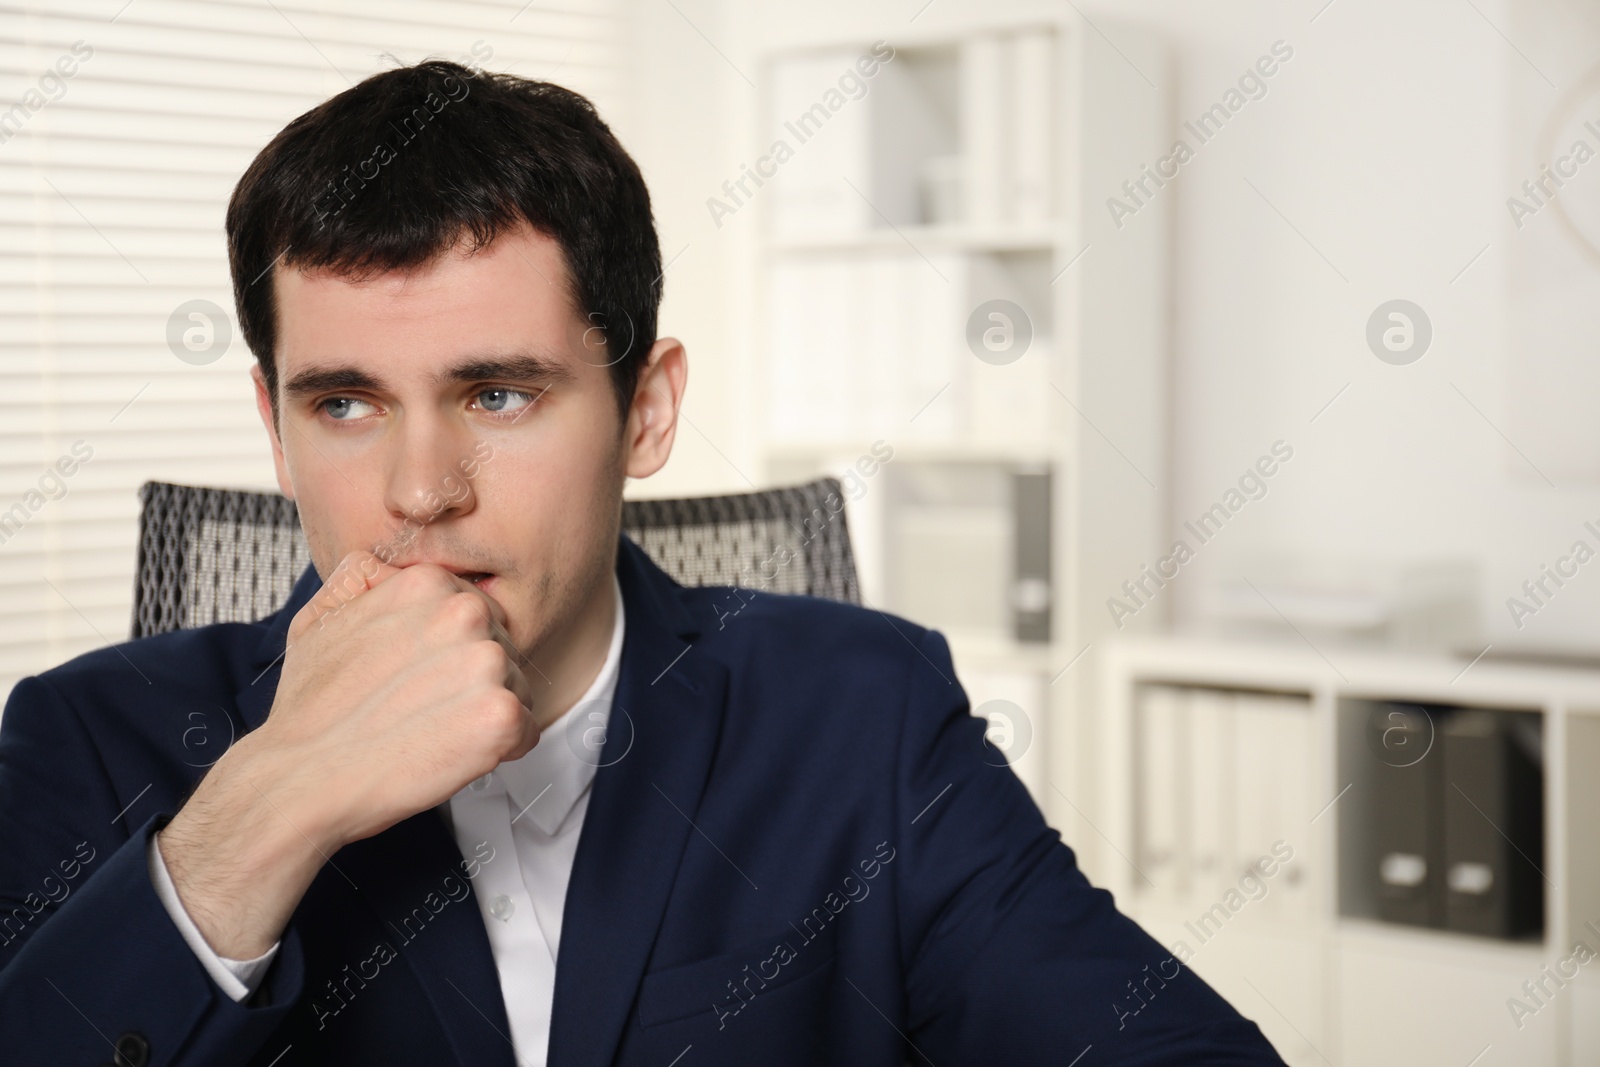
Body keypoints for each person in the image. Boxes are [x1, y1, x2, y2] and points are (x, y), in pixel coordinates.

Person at [0, 59, 1285, 1066]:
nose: (417, 490)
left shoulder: (863, 713)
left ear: (648, 411)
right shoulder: (92, 739)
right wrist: (265, 808)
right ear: (272, 426)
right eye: (343, 403)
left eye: (498, 394)